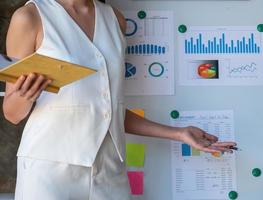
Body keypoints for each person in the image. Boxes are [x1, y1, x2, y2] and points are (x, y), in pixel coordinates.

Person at [2, 0, 236, 199]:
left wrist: (179, 133)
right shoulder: (30, 17)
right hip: (49, 172)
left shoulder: (115, 19)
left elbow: (110, 109)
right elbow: (11, 113)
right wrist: (24, 96)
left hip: (110, 170)